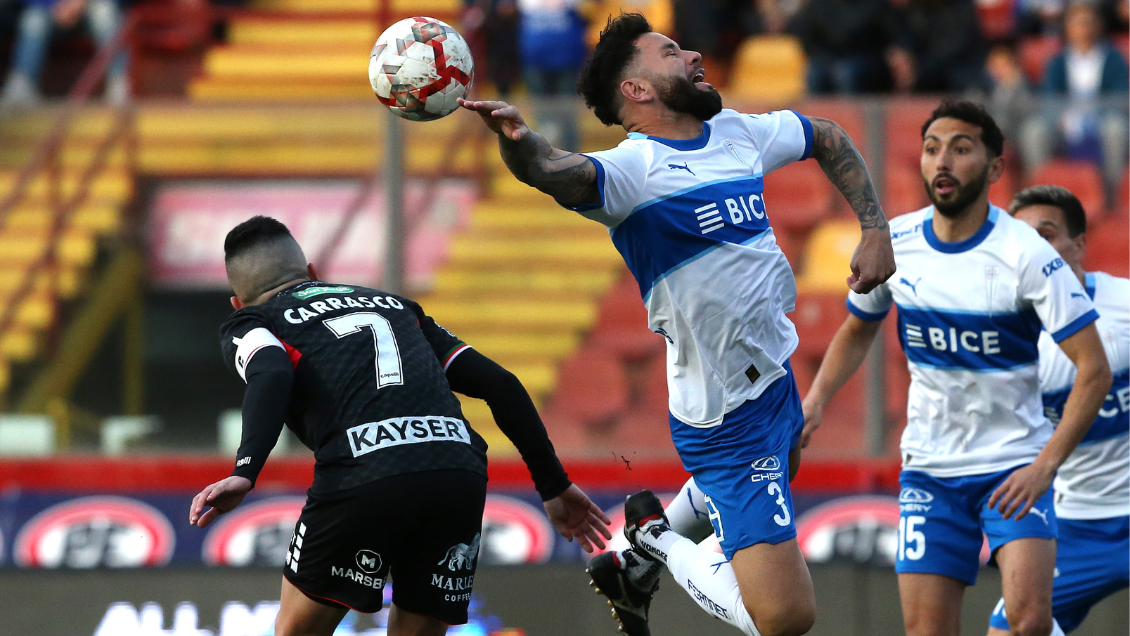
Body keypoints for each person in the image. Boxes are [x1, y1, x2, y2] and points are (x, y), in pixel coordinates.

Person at [459, 13, 896, 636]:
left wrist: (875, 228)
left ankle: (632, 563)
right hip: (727, 413)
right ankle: (655, 539)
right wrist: (518, 141)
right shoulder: (632, 172)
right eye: (669, 52)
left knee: (790, 457)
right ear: (636, 90)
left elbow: (825, 135)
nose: (692, 55)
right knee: (785, 618)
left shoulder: (736, 132)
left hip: (773, 375)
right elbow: (553, 170)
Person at [188, 216, 612, 636]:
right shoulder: (395, 306)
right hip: (456, 471)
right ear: (313, 272)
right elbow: (501, 384)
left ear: (238, 304)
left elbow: (272, 370)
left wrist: (245, 470)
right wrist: (553, 485)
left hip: (365, 471)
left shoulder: (254, 321)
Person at [800, 101, 1113, 636]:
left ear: (994, 168)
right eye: (931, 149)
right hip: (931, 471)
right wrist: (816, 401)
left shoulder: (1027, 254)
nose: (942, 161)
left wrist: (1045, 467)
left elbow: (1094, 369)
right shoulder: (896, 243)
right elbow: (858, 327)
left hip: (1014, 464)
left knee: (1029, 622)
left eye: (961, 148)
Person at [985, 185, 1128, 635]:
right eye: (1020, 239)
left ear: (1079, 245)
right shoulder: (1001, 336)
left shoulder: (1124, 304)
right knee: (1011, 628)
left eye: (1044, 236)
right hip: (1075, 526)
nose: (1031, 250)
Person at [1020, 1, 1129, 189]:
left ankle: (1113, 191)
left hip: (1102, 123)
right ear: (1067, 27)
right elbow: (1049, 98)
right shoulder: (1057, 61)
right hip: (1064, 126)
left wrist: (1094, 114)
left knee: (1116, 128)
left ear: (1099, 25)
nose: (1083, 29)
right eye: (1077, 23)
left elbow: (1119, 98)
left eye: (1088, 22)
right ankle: (1041, 190)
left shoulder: (1114, 58)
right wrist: (1063, 118)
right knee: (1034, 131)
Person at [1, 0, 129, 106]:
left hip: (88, 9)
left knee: (104, 11)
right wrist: (53, 6)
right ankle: (22, 84)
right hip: (50, 12)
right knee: (34, 19)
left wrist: (79, 3)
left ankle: (118, 81)